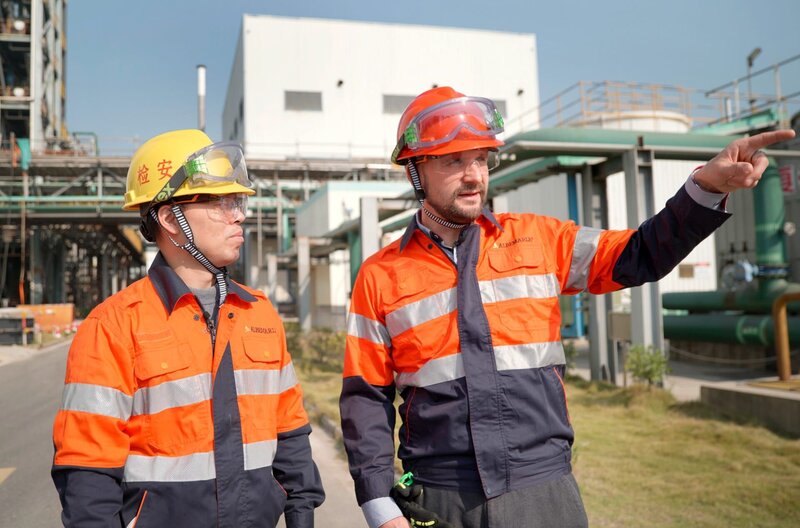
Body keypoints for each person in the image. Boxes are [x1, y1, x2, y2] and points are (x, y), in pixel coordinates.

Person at [339, 86, 795, 528]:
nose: (475, 175)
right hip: (440, 499)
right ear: (415, 171)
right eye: (454, 161)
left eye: (480, 158)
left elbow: (639, 254)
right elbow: (366, 397)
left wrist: (705, 189)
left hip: (543, 492)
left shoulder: (540, 239)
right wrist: (381, 506)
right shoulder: (381, 275)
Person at [52, 129, 325, 527]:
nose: (240, 214)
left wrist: (301, 516)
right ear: (170, 218)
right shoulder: (113, 325)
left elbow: (291, 434)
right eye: (221, 203)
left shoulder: (260, 314)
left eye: (238, 201)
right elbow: (87, 472)